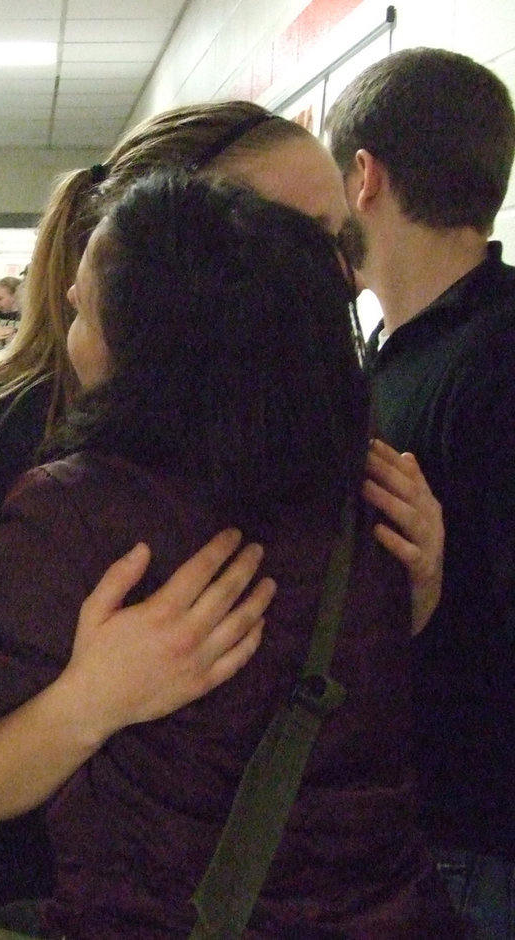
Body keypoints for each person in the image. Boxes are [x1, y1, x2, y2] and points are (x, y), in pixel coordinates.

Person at [0, 100, 444, 939]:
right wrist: (92, 699)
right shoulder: (5, 448)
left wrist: (417, 583)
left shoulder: (325, 448)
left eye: (336, 242)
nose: (333, 275)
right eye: (295, 235)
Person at [325, 48, 515, 936]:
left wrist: (439, 595)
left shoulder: (491, 357)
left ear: (364, 177)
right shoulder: (399, 353)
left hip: (473, 842)